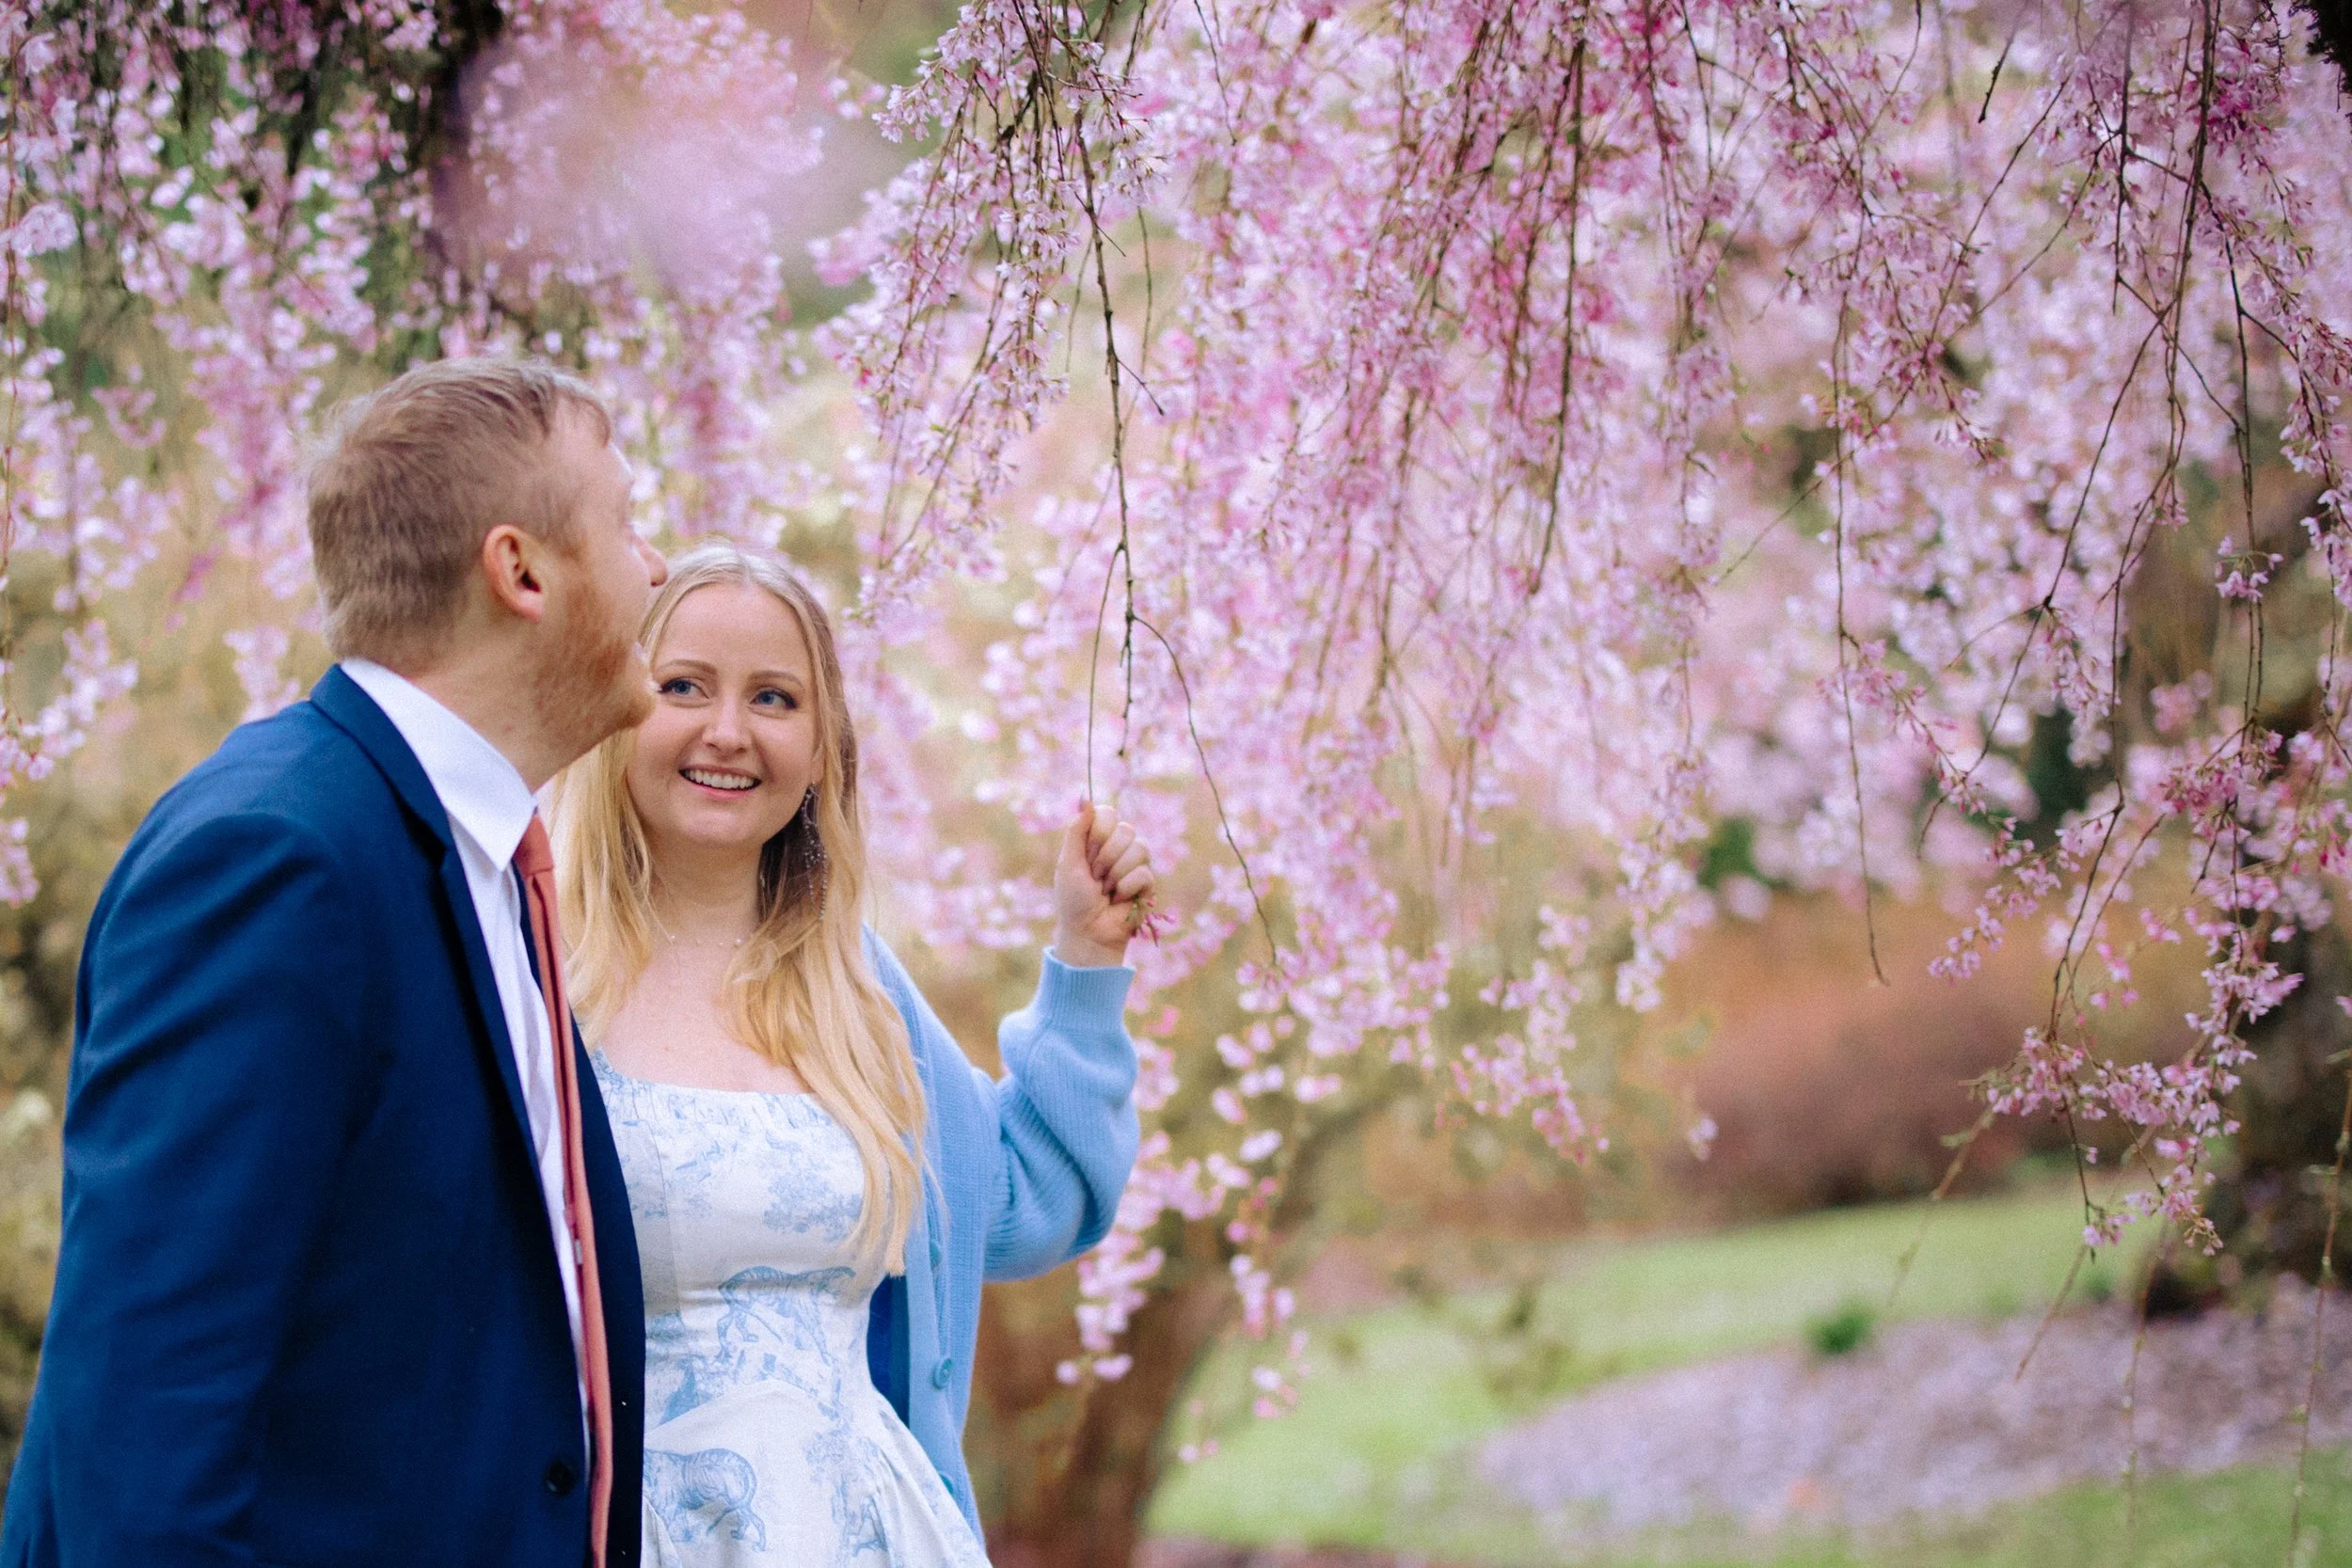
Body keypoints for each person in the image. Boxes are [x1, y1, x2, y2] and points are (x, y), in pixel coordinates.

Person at [2, 358, 668, 1567]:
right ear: (520, 569)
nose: (657, 566)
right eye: (627, 521)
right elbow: (145, 1422)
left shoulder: (486, 868)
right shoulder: (276, 859)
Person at [549, 542, 1150, 1566]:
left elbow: (1024, 1200)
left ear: (824, 747)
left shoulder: (854, 992)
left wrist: (1084, 965)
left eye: (775, 698)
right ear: (616, 708)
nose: (728, 731)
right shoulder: (540, 979)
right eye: (683, 684)